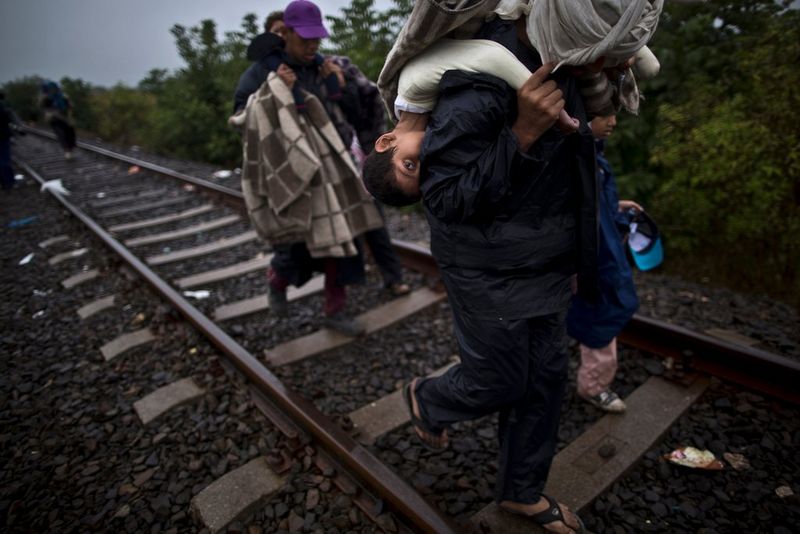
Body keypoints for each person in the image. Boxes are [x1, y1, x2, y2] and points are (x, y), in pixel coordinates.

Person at [374, 1, 662, 532]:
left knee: (545, 381)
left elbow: (564, 155)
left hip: (546, 258)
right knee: (500, 381)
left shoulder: (569, 59)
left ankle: (521, 493)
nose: (600, 72)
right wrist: (523, 132)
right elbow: (447, 200)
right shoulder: (477, 90)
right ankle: (429, 398)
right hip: (487, 269)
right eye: (597, 62)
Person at [235, 1, 407, 337]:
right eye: (305, 39)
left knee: (344, 242)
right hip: (294, 172)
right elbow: (242, 116)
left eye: (316, 38)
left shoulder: (324, 67)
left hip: (336, 168)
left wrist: (338, 88)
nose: (312, 45)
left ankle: (335, 310)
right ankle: (277, 280)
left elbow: (358, 118)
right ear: (285, 33)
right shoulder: (262, 72)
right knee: (297, 245)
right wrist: (274, 92)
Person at [363, 38, 657, 205]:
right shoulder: (432, 117)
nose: (427, 160)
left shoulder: (413, 88)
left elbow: (490, 55)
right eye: (424, 172)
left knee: (649, 66)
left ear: (386, 141)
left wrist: (559, 115)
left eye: (410, 164)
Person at [567, 113, 641, 413]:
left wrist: (617, 207)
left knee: (596, 311)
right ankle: (593, 386)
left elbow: (594, 205)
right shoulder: (578, 158)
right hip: (595, 256)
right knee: (603, 312)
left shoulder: (594, 156)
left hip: (601, 251)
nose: (612, 122)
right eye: (603, 116)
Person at [39, 80, 76, 160]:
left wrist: (70, 117)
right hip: (55, 119)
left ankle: (70, 149)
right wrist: (47, 114)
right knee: (61, 134)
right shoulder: (46, 98)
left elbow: (70, 106)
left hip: (65, 118)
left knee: (70, 134)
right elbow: (43, 107)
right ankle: (67, 151)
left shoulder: (63, 96)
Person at [1, 92, 23, 190]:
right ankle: (9, 182)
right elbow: (11, 119)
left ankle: (3, 182)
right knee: (5, 159)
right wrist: (19, 128)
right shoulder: (3, 106)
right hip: (2, 135)